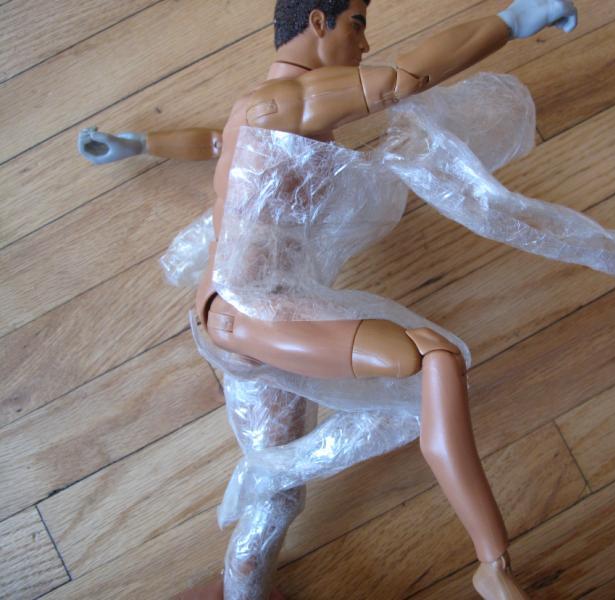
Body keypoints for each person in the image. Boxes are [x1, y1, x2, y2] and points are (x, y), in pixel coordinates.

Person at [81, 2, 583, 599]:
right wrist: (516, 19)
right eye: (357, 23)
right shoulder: (286, 102)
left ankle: (242, 592)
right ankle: (491, 564)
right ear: (318, 22)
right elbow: (406, 78)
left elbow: (215, 142)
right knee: (432, 357)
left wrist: (137, 142)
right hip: (249, 311)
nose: (364, 44)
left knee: (278, 501)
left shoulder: (261, 108)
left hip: (243, 319)